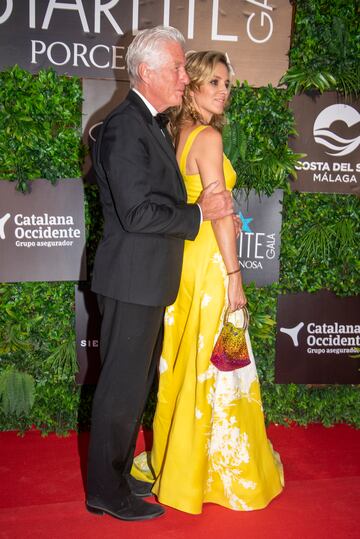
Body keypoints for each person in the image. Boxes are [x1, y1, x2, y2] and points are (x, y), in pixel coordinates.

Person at [86, 28, 235, 522]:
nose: (182, 77)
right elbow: (137, 214)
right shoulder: (125, 126)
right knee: (121, 389)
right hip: (131, 279)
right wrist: (198, 213)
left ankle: (118, 470)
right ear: (146, 73)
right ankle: (106, 492)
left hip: (146, 279)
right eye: (175, 68)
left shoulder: (150, 123)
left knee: (134, 386)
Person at [132, 50, 284, 514]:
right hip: (212, 264)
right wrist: (235, 277)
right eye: (214, 82)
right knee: (221, 364)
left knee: (189, 360)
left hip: (185, 261)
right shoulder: (210, 138)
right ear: (193, 85)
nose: (224, 91)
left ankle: (180, 460)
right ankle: (212, 469)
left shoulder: (177, 133)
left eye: (227, 84)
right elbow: (218, 212)